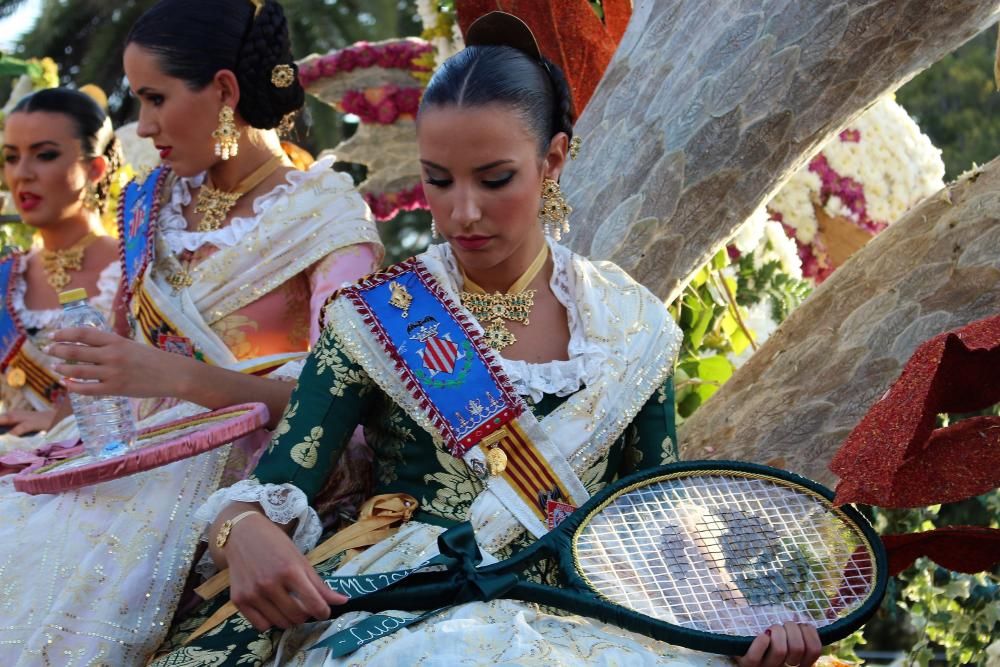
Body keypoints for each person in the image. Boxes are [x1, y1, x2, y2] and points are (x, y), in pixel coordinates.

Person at [150, 13, 822, 667]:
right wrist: (245, 531)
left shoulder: (631, 324)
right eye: (438, 181)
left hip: (593, 601)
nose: (462, 211)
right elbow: (270, 485)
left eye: (494, 179)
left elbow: (659, 521)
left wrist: (737, 624)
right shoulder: (376, 316)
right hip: (411, 600)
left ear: (553, 159)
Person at [0, 0, 381, 662]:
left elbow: (343, 402)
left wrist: (176, 377)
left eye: (155, 98)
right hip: (118, 455)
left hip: (239, 473)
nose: (143, 125)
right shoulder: (150, 202)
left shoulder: (327, 217)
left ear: (226, 91)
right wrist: (68, 394)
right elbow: (115, 361)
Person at [0, 88, 121, 440]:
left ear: (95, 167)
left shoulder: (136, 270)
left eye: (45, 155)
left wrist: (60, 422)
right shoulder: (7, 279)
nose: (22, 173)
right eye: (10, 157)